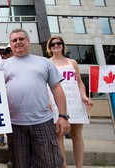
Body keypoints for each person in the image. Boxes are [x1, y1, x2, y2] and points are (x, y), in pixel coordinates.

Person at [0, 28, 70, 168]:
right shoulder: (1, 66)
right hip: (15, 124)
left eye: (21, 39)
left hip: (43, 122)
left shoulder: (45, 63)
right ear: (10, 44)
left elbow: (56, 88)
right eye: (14, 40)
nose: (18, 42)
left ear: (28, 41)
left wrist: (63, 116)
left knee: (50, 163)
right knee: (20, 164)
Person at [46, 36, 93, 168]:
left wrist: (84, 96)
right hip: (57, 103)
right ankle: (64, 165)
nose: (56, 45)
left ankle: (79, 166)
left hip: (74, 101)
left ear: (63, 45)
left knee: (76, 134)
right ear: (49, 48)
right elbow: (45, 85)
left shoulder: (72, 63)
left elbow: (79, 82)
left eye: (58, 43)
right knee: (59, 134)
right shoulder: (47, 63)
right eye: (53, 44)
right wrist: (47, 101)